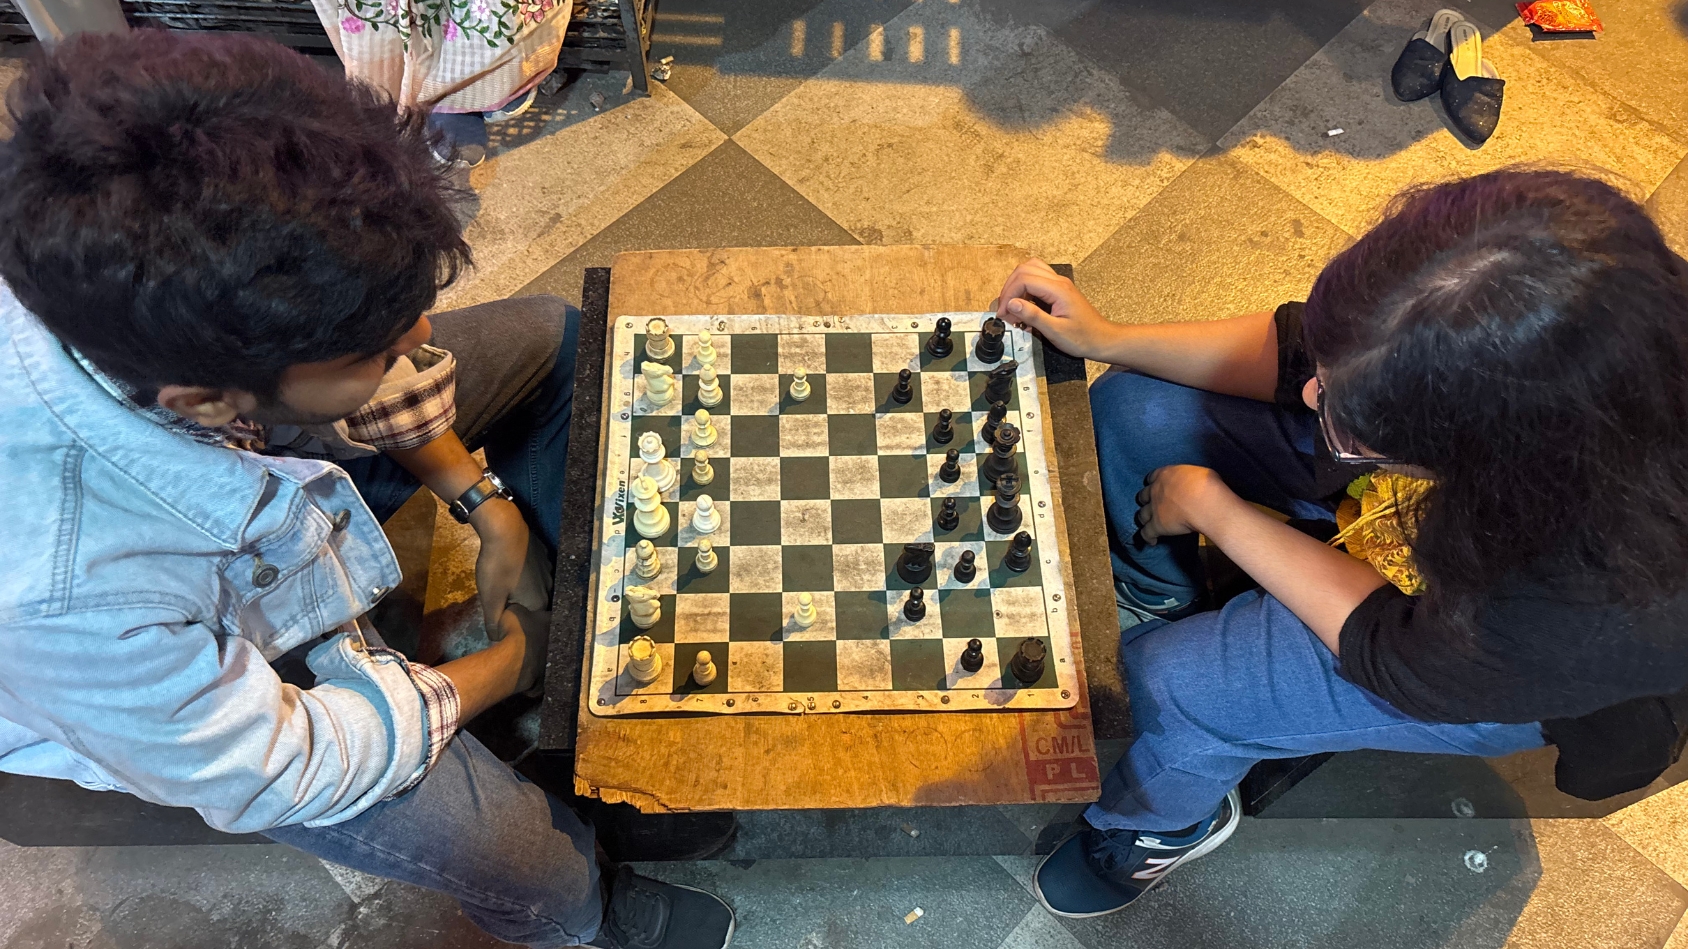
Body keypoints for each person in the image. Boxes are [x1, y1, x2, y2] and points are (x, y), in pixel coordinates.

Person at [0, 30, 733, 949]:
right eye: (377, 350)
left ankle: (566, 668)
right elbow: (281, 765)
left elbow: (353, 350)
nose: (421, 335)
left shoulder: (127, 270)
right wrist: (507, 664)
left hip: (251, 463)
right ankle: (585, 917)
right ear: (208, 396)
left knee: (553, 338)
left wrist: (482, 499)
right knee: (526, 854)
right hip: (204, 693)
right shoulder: (62, 597)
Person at [994, 169, 1688, 918]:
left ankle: (1157, 829)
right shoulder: (1597, 317)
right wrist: (1107, 337)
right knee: (1138, 409)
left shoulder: (1601, 603)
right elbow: (1300, 353)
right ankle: (1163, 587)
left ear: (1477, 459)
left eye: (1346, 415)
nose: (1308, 395)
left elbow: (1400, 653)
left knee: (1173, 687)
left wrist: (1221, 513)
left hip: (1496, 663)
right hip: (1470, 534)